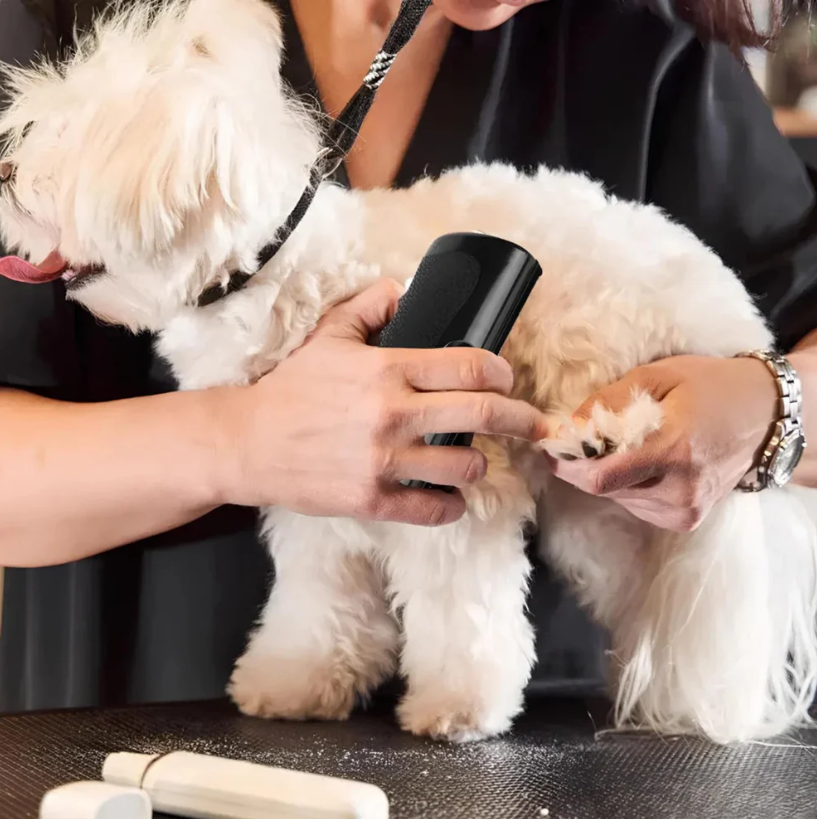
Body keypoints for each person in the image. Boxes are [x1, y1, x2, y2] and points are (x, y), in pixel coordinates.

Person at [1, 0, 816, 712]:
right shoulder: (72, 21)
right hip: (126, 725)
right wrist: (242, 441)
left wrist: (769, 408)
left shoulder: (653, 40)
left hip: (561, 745)